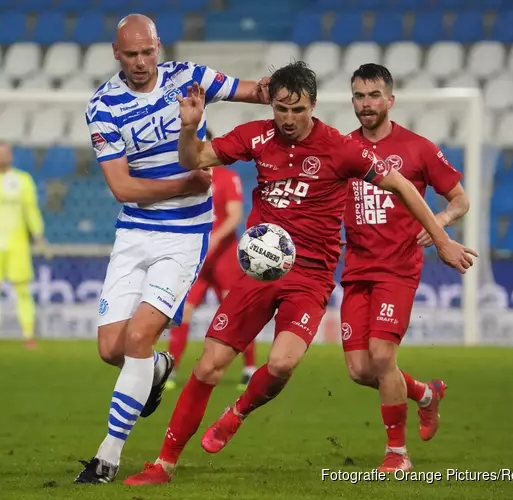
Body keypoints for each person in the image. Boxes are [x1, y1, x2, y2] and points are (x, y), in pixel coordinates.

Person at [123, 61, 477, 485]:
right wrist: (189, 127)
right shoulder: (256, 136)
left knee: (284, 362)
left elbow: (401, 185)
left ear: (313, 106)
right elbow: (194, 159)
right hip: (259, 271)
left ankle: (237, 413)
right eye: (281, 109)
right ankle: (163, 464)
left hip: (311, 275)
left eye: (298, 110)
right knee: (207, 367)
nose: (288, 119)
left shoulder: (341, 148)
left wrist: (440, 239)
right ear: (271, 104)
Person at [74, 14, 270, 485]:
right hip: (134, 233)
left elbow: (254, 91)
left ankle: (107, 457)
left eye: (148, 52)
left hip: (185, 235)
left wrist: (285, 92)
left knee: (138, 338)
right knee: (111, 349)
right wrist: (186, 182)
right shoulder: (103, 106)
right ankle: (158, 367)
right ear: (116, 55)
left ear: (158, 47)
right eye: (131, 54)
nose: (141, 62)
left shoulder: (188, 77)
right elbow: (121, 187)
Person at [341, 64, 471, 472]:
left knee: (382, 356)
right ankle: (425, 394)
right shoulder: (342, 149)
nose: (367, 104)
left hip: (398, 268)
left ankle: (397, 454)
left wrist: (441, 228)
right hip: (357, 268)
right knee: (361, 370)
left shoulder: (419, 148)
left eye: (374, 95)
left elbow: (460, 200)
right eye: (360, 96)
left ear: (390, 100)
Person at [166, 129, 257, 392]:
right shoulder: (186, 180)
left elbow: (234, 215)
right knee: (183, 313)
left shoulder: (228, 177)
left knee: (236, 313)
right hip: (197, 257)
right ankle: (171, 369)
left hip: (223, 257)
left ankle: (249, 369)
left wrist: (214, 238)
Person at [0, 141, 48, 350]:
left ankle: (28, 334)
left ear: (10, 156)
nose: (0, 157)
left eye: (4, 153)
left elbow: (31, 209)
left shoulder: (23, 180)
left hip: (17, 243)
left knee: (23, 289)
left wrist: (38, 234)